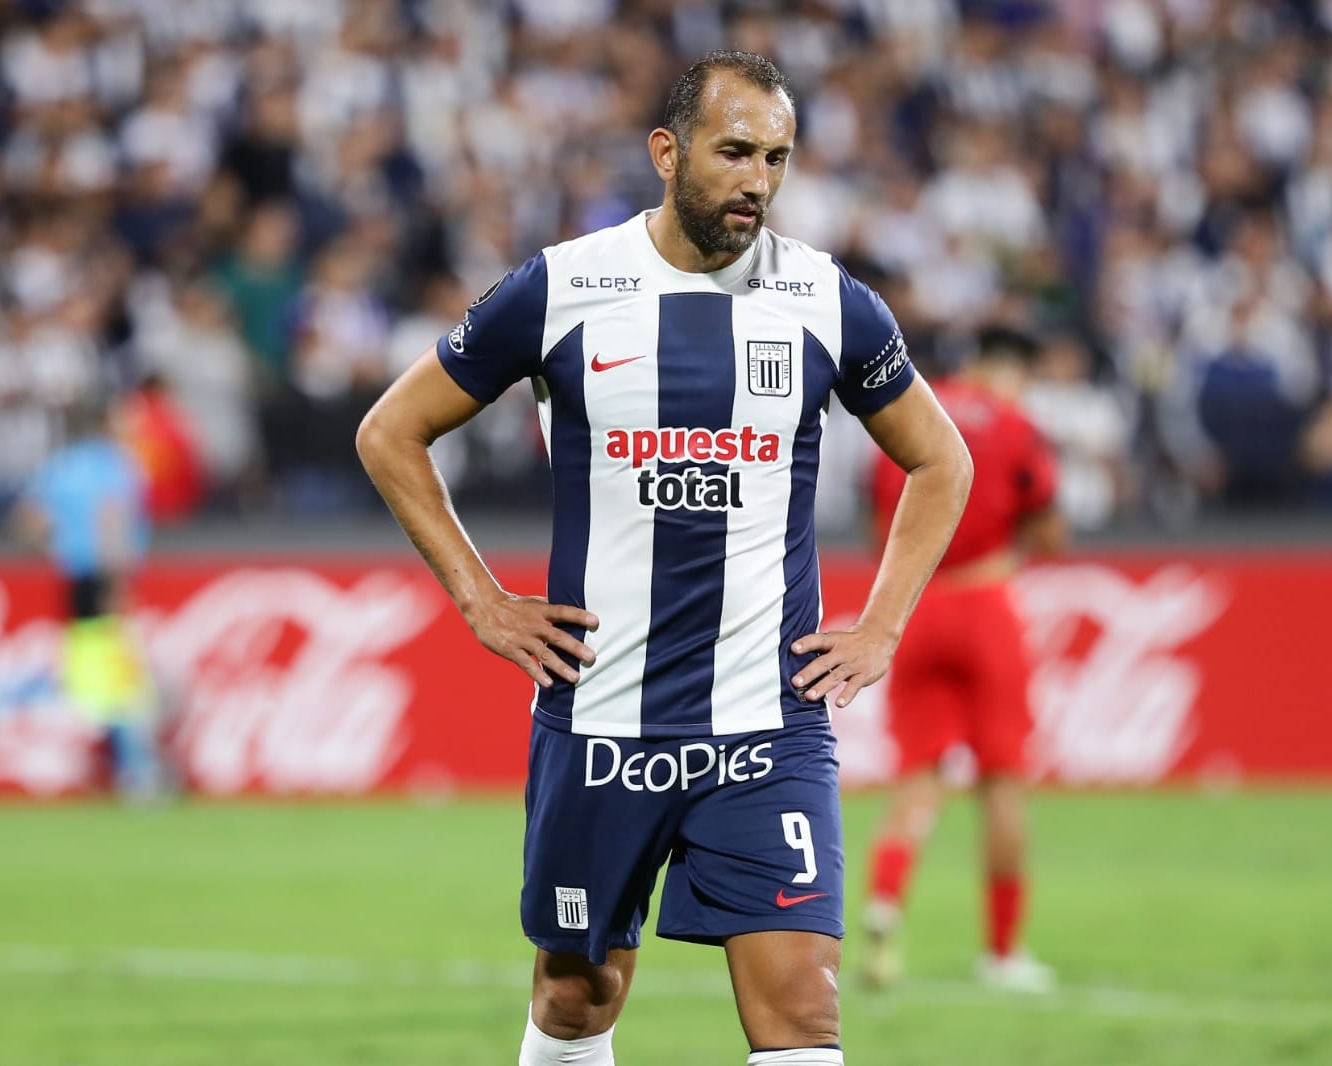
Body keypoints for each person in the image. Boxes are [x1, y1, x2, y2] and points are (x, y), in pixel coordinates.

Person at [356, 52, 972, 1066]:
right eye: (734, 152)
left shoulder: (826, 299)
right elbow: (391, 431)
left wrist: (883, 624)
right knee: (576, 991)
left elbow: (941, 458)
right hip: (601, 714)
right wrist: (479, 599)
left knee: (803, 1014)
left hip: (766, 721)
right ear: (667, 151)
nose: (756, 181)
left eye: (775, 158)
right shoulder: (562, 287)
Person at [861, 325, 1066, 993]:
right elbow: (1051, 529)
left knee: (918, 778)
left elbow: (878, 525)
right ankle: (1003, 955)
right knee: (1002, 783)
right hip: (985, 602)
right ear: (1004, 367)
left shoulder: (902, 412)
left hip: (915, 608)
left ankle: (884, 904)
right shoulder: (1015, 423)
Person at [12, 390, 161, 801]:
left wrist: (61, 550)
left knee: (86, 673)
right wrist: (117, 584)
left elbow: (28, 523)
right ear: (105, 424)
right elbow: (112, 520)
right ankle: (137, 773)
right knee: (120, 680)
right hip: (104, 581)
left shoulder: (60, 466)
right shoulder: (116, 465)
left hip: (74, 580)